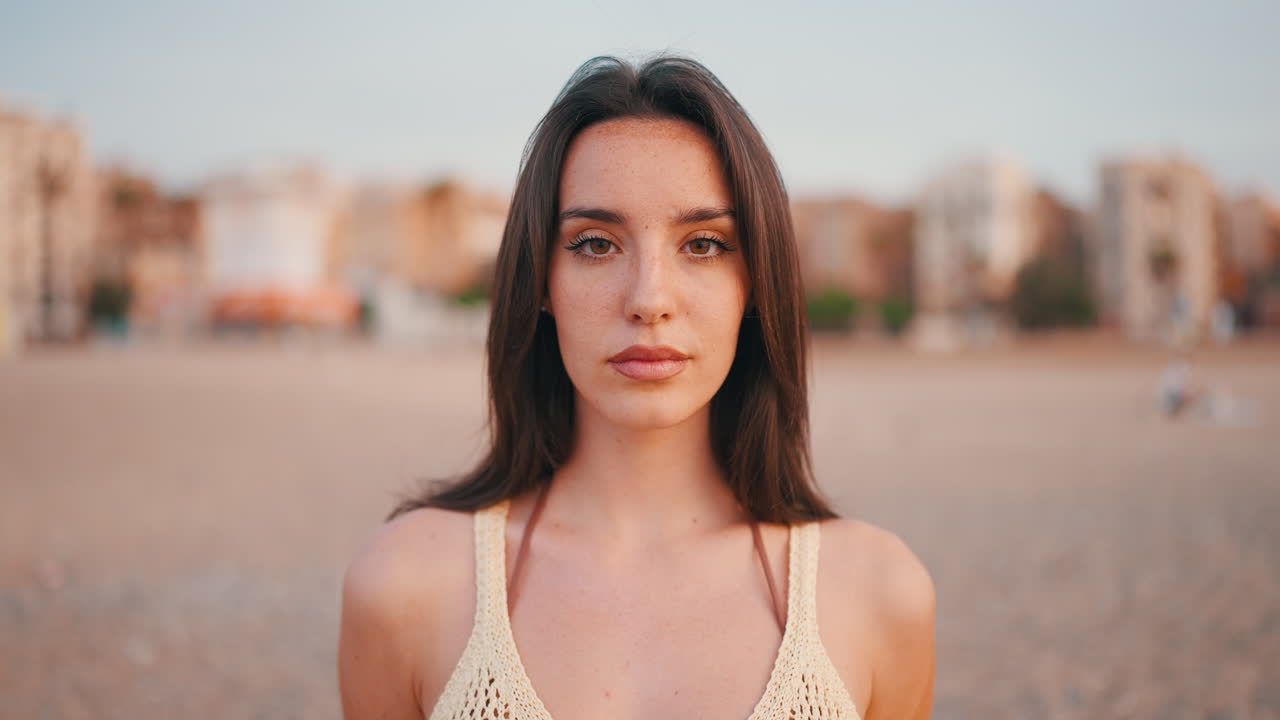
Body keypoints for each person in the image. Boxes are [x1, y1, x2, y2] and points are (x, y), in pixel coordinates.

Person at [338, 55, 935, 720]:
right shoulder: (406, 588)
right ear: (540, 283)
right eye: (596, 244)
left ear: (756, 284)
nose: (649, 299)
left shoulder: (879, 594)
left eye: (703, 244)